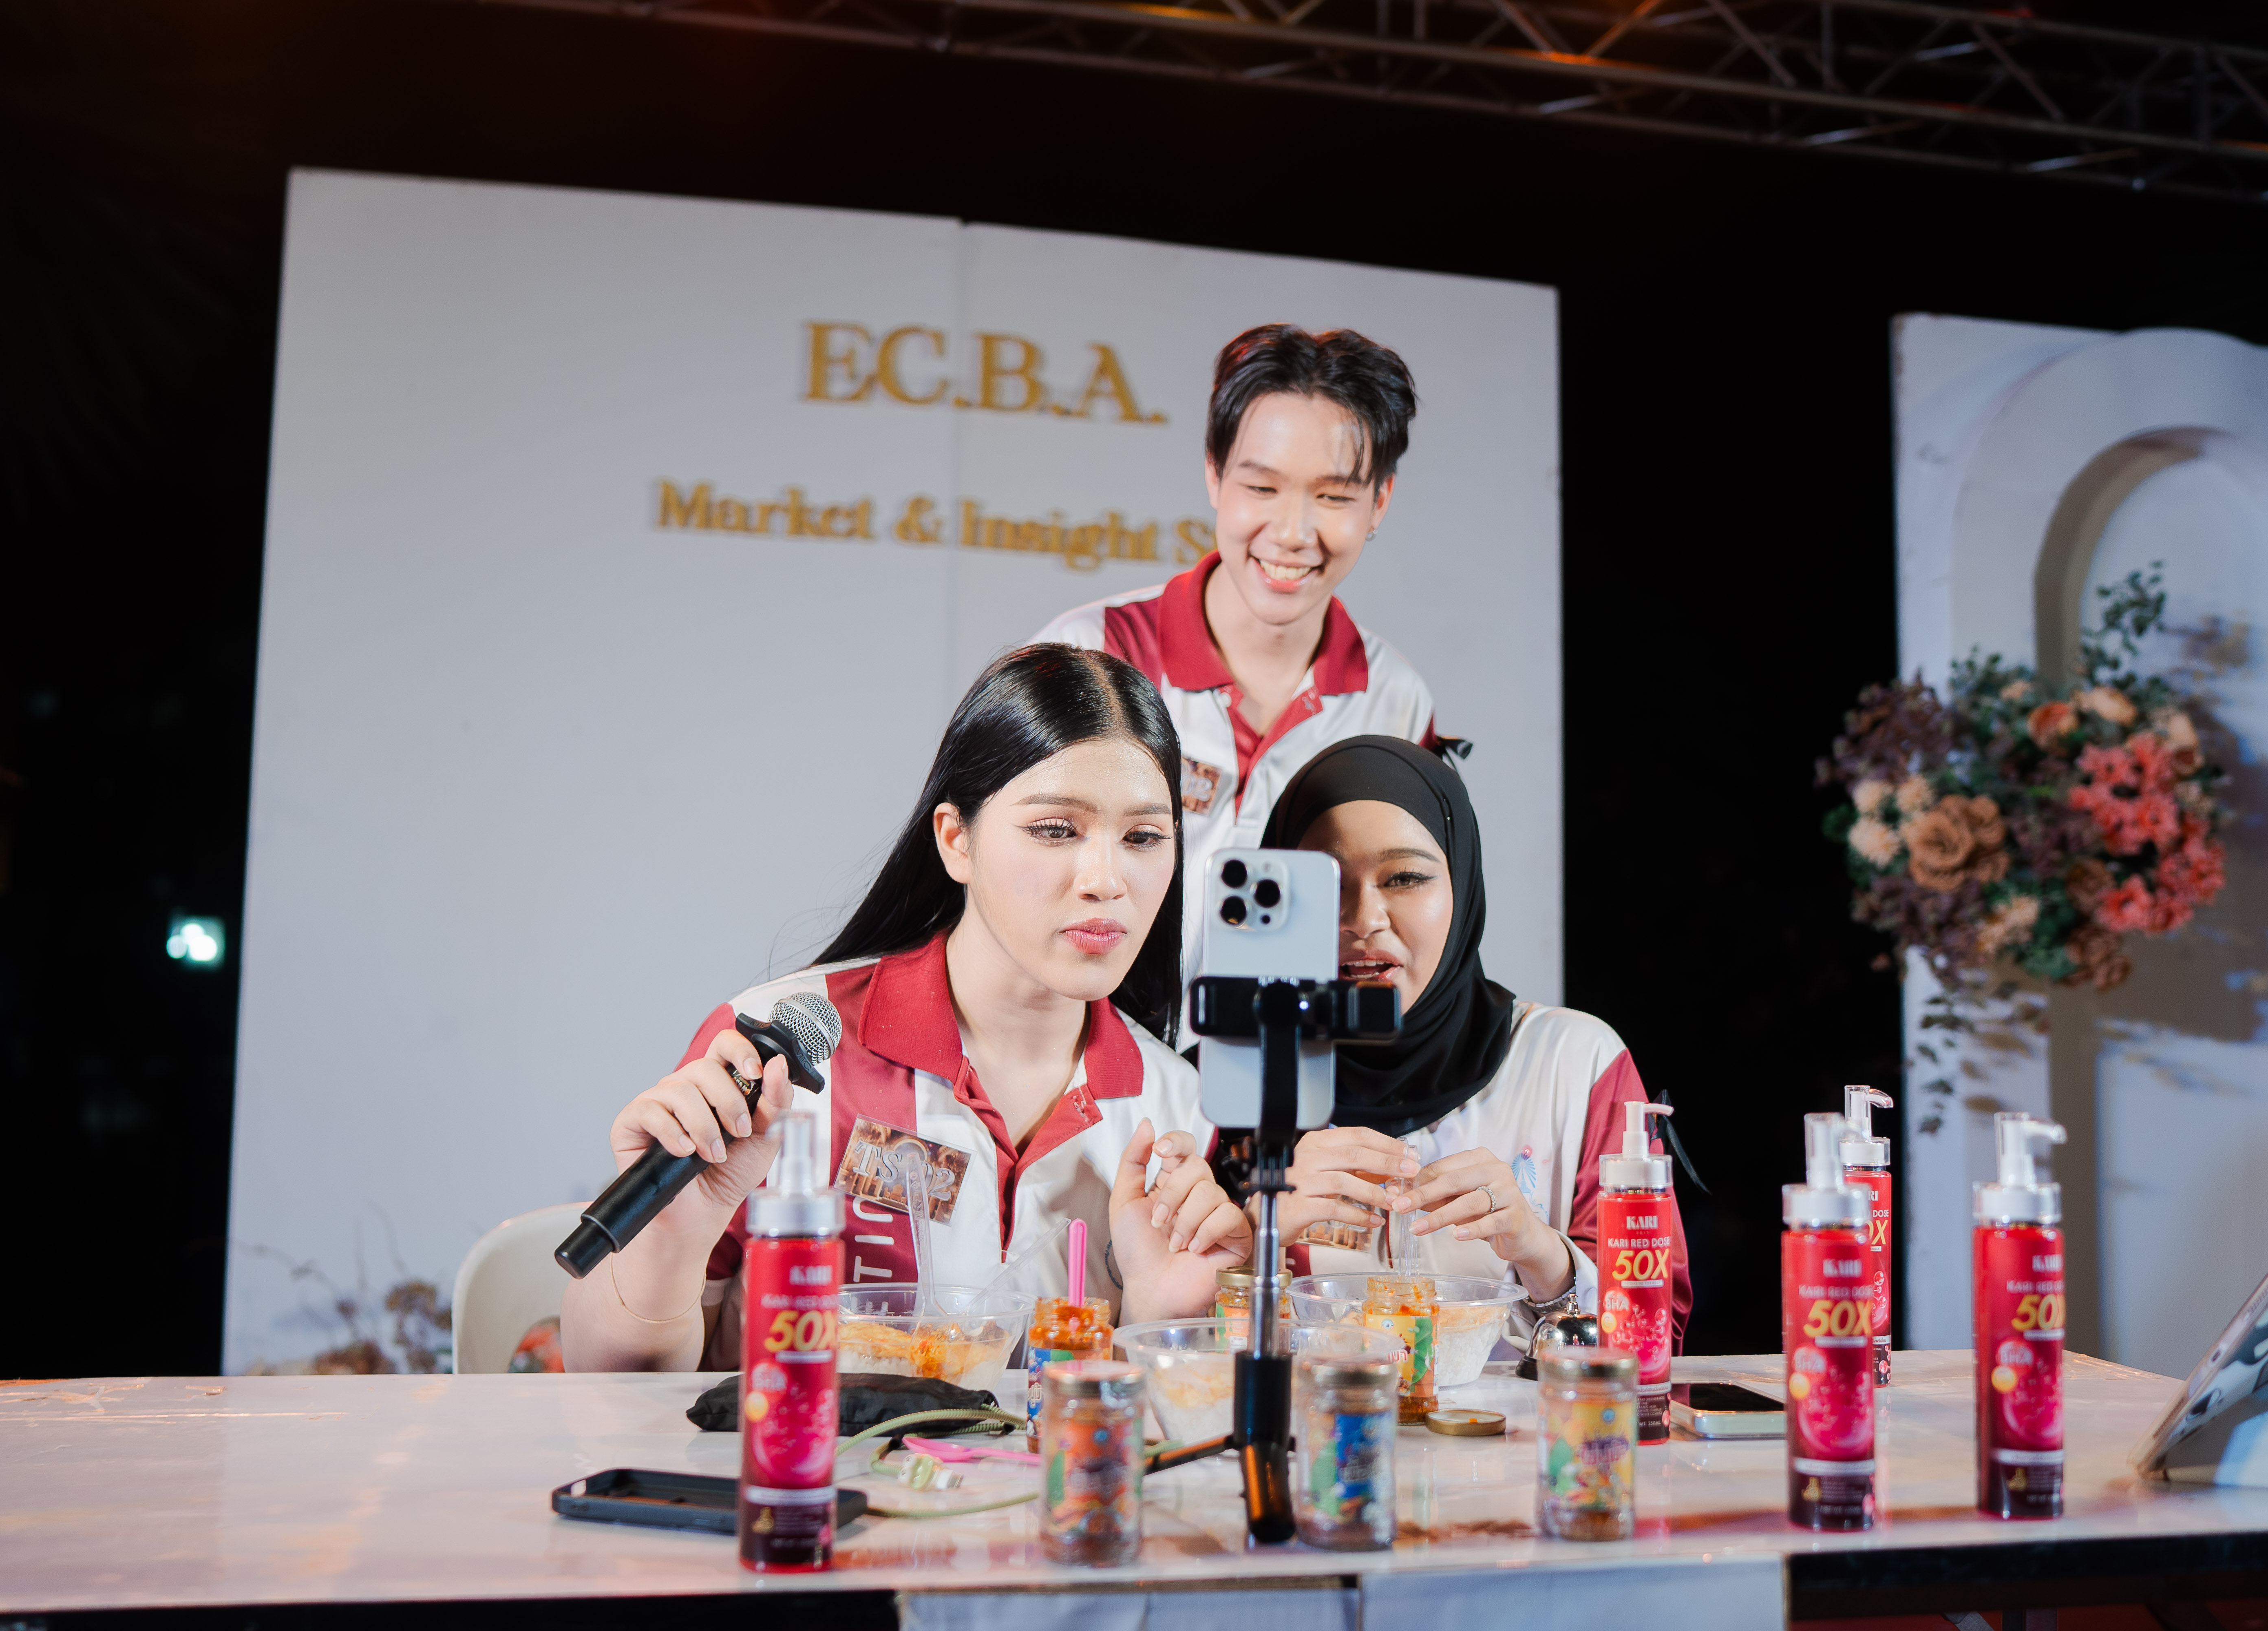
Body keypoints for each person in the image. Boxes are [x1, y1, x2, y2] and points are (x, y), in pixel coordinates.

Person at [561, 645, 1249, 1372]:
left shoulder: (1180, 1109)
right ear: (956, 841)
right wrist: (670, 1244)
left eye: (1143, 838)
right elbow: (611, 1389)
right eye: (1056, 830)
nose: (1106, 880)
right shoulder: (783, 1053)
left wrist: (1155, 1324)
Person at [1034, 324, 1442, 992]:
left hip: (1296, 1050)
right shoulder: (1095, 652)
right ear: (1215, 475)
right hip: (1091, 1049)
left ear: (1380, 502)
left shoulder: (1395, 700)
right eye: (1262, 488)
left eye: (1334, 496)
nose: (1292, 533)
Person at [1260, 736, 1692, 1348]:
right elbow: (1183, 1349)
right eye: (1326, 884)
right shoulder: (1237, 1083)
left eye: (1405, 877)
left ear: (1461, 885)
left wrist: (1542, 1255)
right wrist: (1257, 1233)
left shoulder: (1574, 1064)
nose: (1364, 919)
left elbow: (1656, 1338)